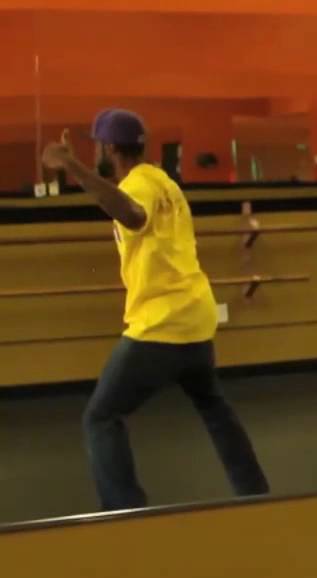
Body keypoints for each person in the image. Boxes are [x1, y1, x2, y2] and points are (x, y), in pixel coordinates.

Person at [41, 109, 270, 511]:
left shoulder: (139, 185)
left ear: (110, 148)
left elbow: (132, 214)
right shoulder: (164, 181)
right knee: (213, 407)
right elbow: (127, 207)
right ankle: (256, 493)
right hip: (196, 316)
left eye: (96, 146)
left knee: (101, 417)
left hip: (161, 324)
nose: (94, 152)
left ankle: (124, 510)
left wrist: (72, 166)